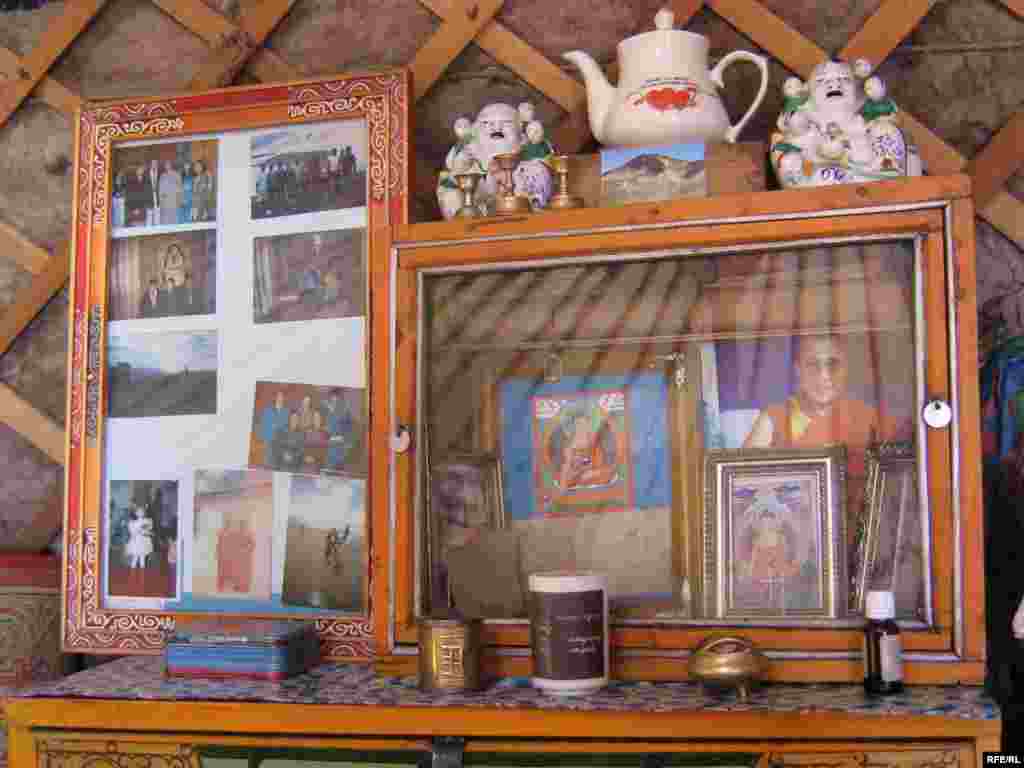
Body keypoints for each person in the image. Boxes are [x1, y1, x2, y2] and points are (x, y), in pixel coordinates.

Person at [742, 335, 900, 476]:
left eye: (833, 365)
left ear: (846, 369)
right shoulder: (772, 420)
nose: (823, 376)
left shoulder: (869, 419)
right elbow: (743, 478)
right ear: (798, 371)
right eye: (813, 365)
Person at [555, 410, 618, 491]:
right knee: (573, 478)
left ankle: (588, 479)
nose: (582, 428)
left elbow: (598, 461)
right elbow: (566, 470)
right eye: (579, 425)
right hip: (576, 476)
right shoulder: (569, 447)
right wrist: (578, 471)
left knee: (606, 473)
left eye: (585, 425)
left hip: (592, 473)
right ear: (574, 428)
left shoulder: (592, 441)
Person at [216, 517, 255, 593]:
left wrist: (245, 550)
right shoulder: (223, 532)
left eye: (243, 524)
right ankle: (223, 585)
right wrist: (219, 552)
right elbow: (220, 544)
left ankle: (243, 588)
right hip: (227, 555)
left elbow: (252, 545)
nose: (242, 526)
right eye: (241, 525)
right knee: (226, 571)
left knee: (243, 573)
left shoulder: (249, 533)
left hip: (244, 557)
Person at [259, 391, 290, 467]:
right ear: (275, 398)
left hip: (280, 439)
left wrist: (276, 426)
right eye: (279, 396)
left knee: (277, 462)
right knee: (267, 462)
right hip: (269, 438)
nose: (280, 398)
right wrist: (265, 438)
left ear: (284, 399)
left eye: (282, 397)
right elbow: (264, 424)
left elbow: (286, 425)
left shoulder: (286, 411)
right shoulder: (268, 410)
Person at [124, 504, 154, 570]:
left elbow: (148, 530)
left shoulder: (147, 521)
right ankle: (132, 571)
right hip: (136, 541)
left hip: (143, 541)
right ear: (136, 513)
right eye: (138, 511)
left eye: (142, 512)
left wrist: (147, 532)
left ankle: (142, 572)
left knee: (142, 557)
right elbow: (132, 532)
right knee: (135, 557)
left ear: (144, 513)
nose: (140, 513)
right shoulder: (133, 522)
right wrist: (139, 530)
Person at [158, 160, 183, 225]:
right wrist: (161, 201)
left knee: (174, 220)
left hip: (174, 201)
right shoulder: (162, 176)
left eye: (168, 164)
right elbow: (160, 190)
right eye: (165, 164)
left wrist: (179, 200)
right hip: (165, 202)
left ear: (171, 165)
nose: (167, 165)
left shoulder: (177, 174)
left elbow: (180, 189)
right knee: (165, 220)